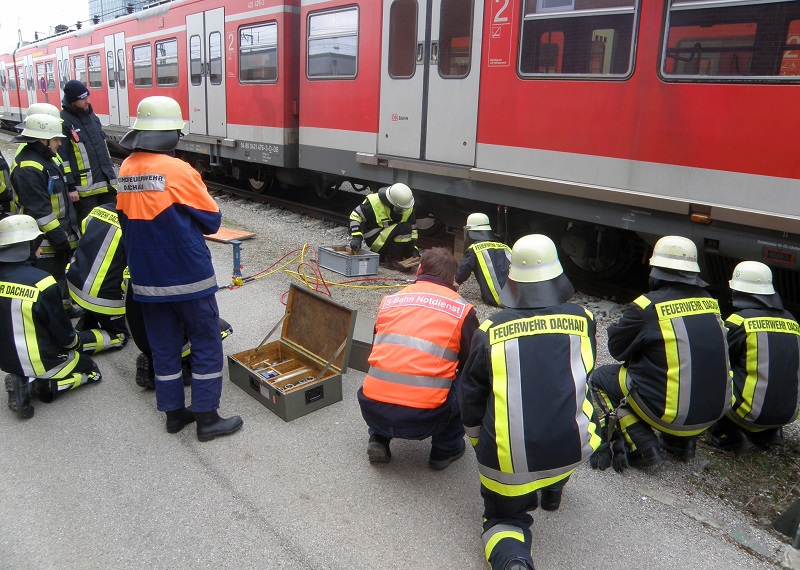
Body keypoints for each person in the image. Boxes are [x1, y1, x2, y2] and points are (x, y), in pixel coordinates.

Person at [460, 234, 600, 570]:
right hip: (570, 448)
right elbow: (582, 375)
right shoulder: (584, 320)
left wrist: (481, 442)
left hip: (509, 464)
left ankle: (514, 561)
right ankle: (552, 490)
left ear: (514, 281)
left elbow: (471, 396)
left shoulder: (490, 330)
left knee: (503, 521)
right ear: (556, 275)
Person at [116, 95, 243, 441]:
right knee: (205, 343)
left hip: (146, 278)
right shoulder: (178, 170)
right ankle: (207, 418)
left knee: (164, 347)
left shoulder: (127, 168)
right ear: (171, 134)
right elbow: (212, 221)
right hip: (187, 276)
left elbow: (125, 218)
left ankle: (174, 414)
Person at [589, 235, 731, 471]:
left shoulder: (647, 306)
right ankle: (683, 444)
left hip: (669, 415)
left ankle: (642, 445)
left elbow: (617, 350)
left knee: (602, 379)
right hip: (712, 415)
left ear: (656, 271)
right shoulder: (710, 303)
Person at [357, 247, 478, 468]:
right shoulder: (463, 311)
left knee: (389, 360)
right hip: (424, 422)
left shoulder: (390, 301)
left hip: (372, 410)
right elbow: (472, 363)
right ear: (453, 279)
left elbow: (378, 346)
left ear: (419, 270)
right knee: (469, 379)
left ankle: (379, 438)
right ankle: (444, 449)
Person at [0, 215, 101, 419]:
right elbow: (62, 332)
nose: (40, 248)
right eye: (38, 243)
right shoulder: (42, 282)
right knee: (91, 371)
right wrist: (76, 344)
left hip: (7, 360)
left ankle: (23, 378)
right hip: (42, 360)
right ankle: (37, 385)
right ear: (26, 247)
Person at [708, 261, 800, 451]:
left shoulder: (740, 322)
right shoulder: (792, 321)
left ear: (739, 292)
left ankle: (731, 434)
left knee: (711, 371)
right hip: (787, 414)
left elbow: (716, 362)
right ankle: (770, 434)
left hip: (747, 414)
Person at [10, 113, 81, 317]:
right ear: (42, 140)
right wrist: (60, 239)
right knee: (50, 279)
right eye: (56, 139)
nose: (59, 143)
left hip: (58, 233)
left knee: (59, 274)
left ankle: (64, 308)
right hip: (45, 240)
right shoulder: (28, 168)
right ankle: (54, 318)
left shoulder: (44, 159)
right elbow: (40, 211)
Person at [66, 202, 129, 354]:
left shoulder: (97, 210)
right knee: (119, 337)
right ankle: (72, 342)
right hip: (102, 298)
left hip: (75, 281)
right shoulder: (136, 224)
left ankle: (90, 316)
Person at [60, 79, 117, 221]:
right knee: (89, 225)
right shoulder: (64, 121)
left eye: (87, 97)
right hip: (84, 190)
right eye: (83, 99)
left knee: (112, 222)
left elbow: (102, 148)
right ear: (73, 101)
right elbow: (63, 159)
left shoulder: (92, 116)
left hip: (107, 184)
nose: (87, 102)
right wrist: (71, 187)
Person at [349, 183, 419, 271]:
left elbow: (413, 229)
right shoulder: (374, 202)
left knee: (406, 241)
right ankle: (391, 260)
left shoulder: (406, 206)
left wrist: (413, 248)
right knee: (403, 228)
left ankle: (384, 256)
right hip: (374, 236)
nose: (402, 210)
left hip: (389, 234)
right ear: (391, 202)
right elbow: (355, 216)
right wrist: (356, 237)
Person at [455, 212, 511, 307]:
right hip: (515, 297)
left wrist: (453, 283)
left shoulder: (475, 249)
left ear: (471, 232)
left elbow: (461, 273)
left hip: (497, 299)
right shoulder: (505, 247)